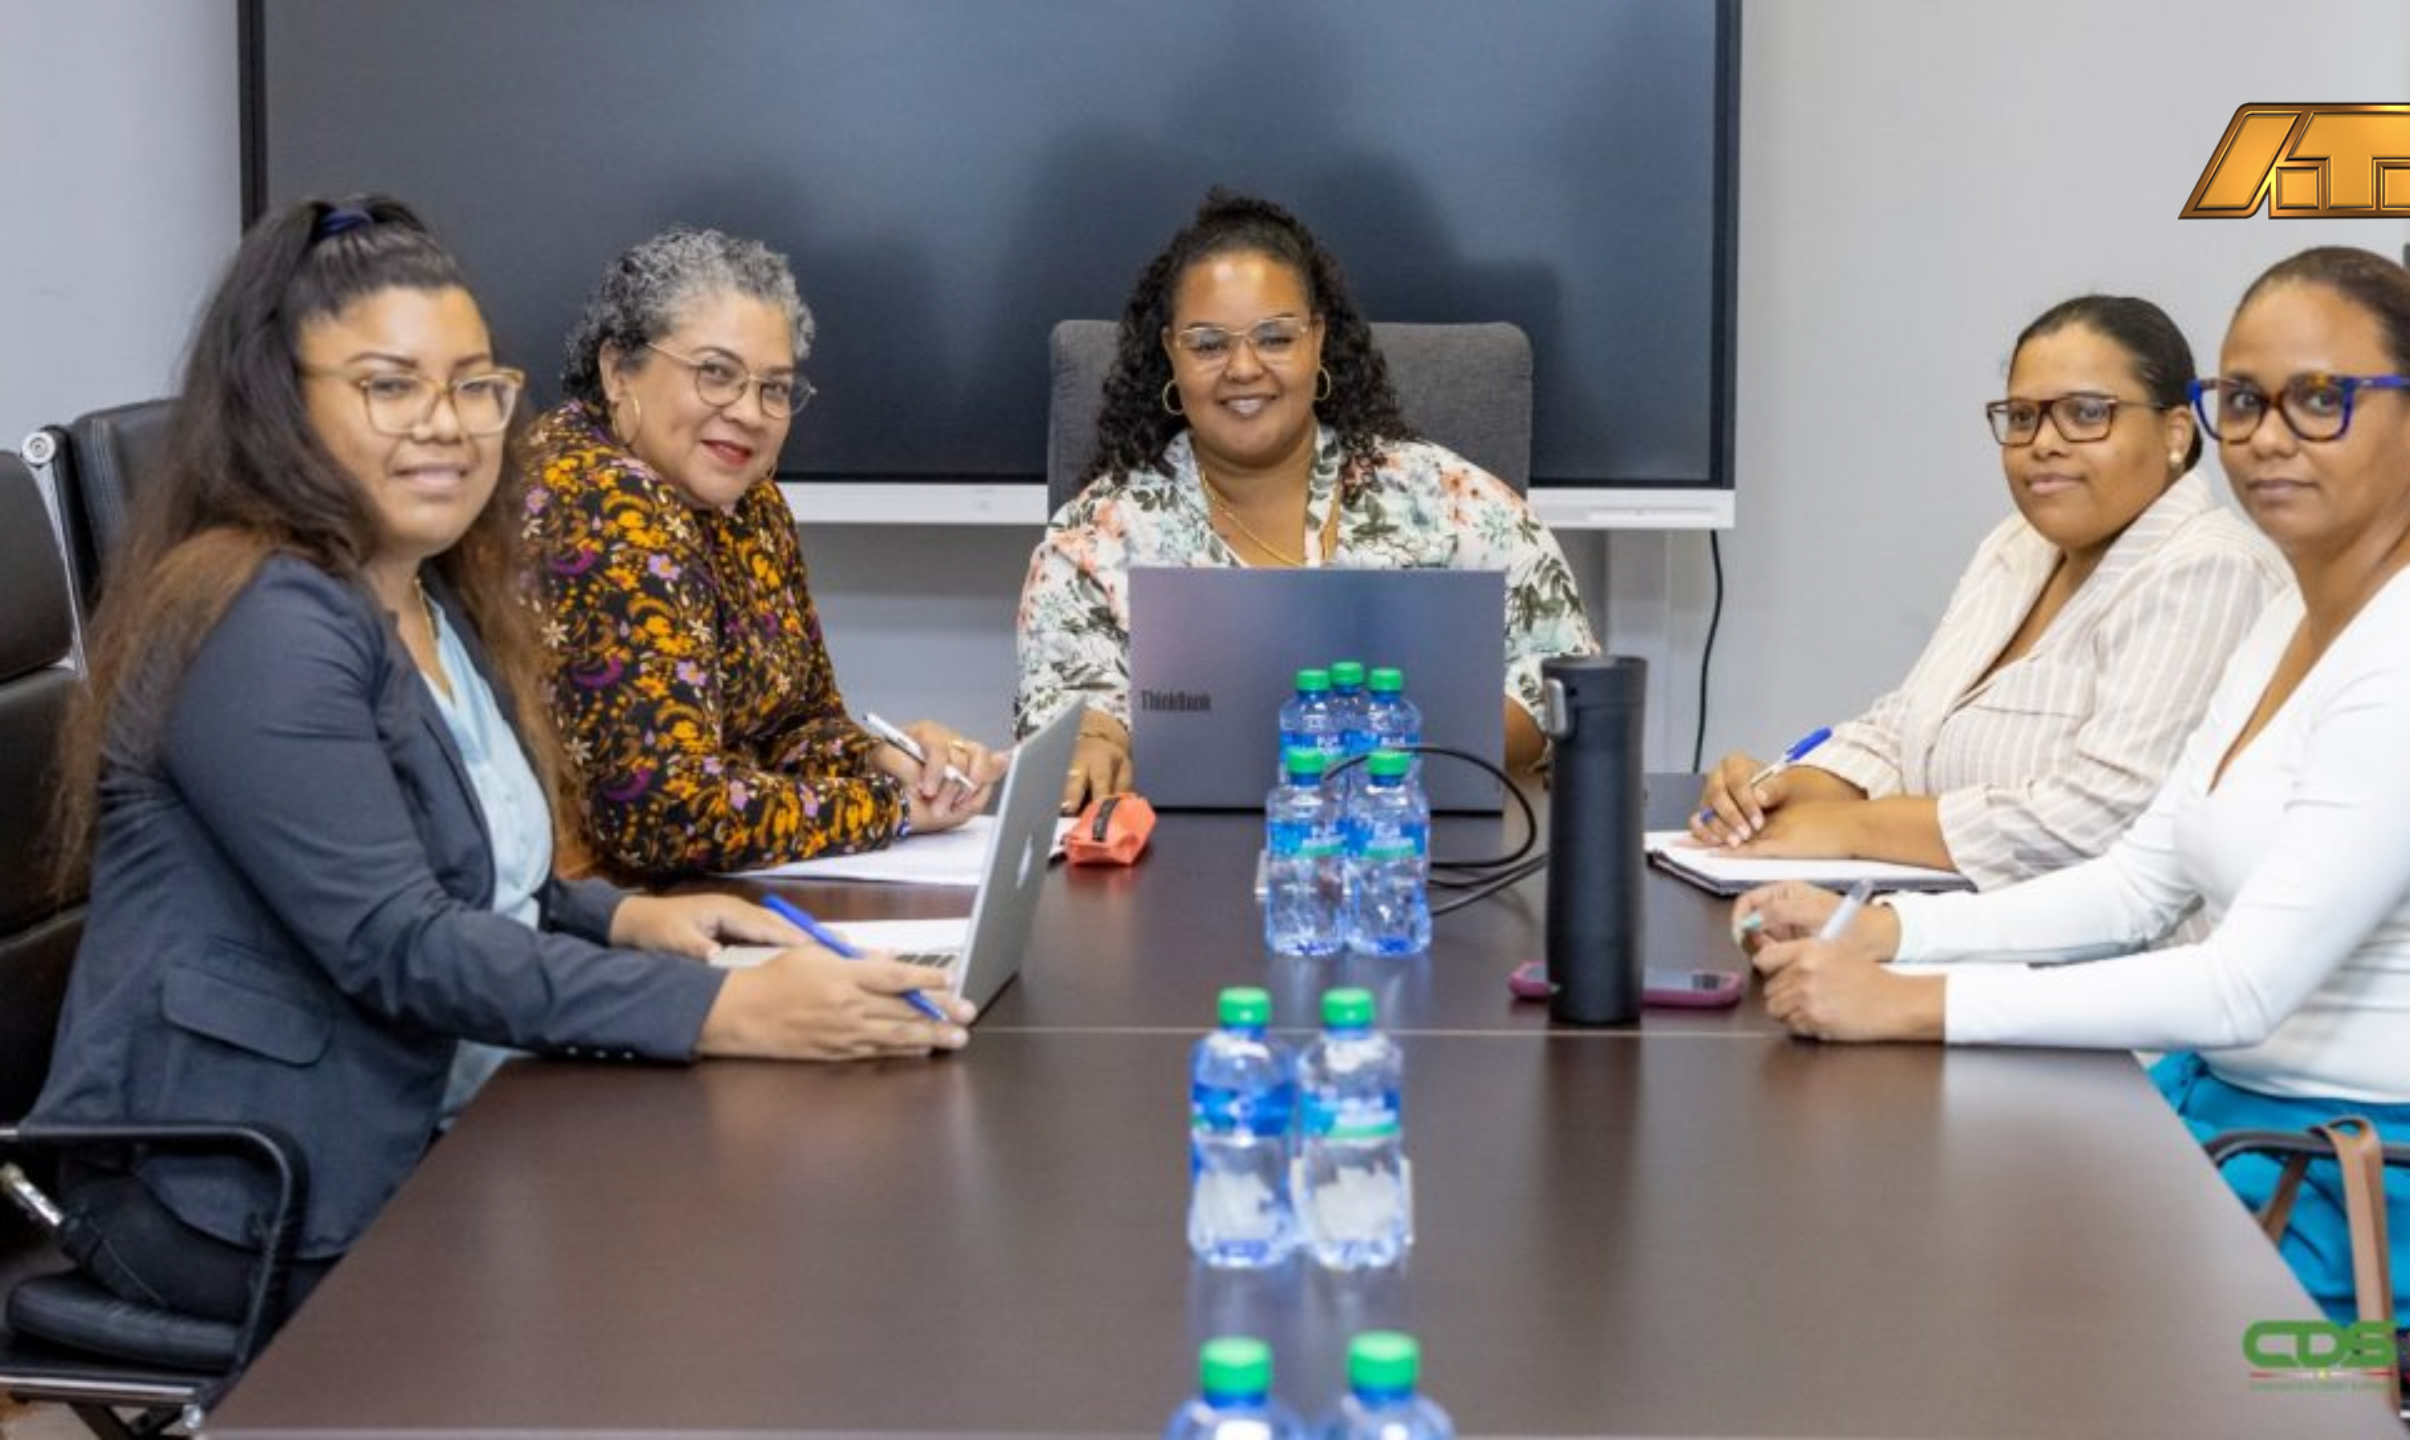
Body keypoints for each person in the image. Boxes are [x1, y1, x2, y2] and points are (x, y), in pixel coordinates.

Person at [29, 197, 973, 1327]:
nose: (448, 426)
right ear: (280, 402)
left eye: (475, 387)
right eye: (390, 386)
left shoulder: (427, 584)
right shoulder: (262, 620)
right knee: (736, 1271)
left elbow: (465, 865)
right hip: (253, 1183)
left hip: (428, 1101)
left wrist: (626, 921)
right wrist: (725, 1010)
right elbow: (404, 942)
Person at [1738, 247, 2410, 1343]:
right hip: (2238, 1129)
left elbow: (2242, 988)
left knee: (1985, 1323)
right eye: (2244, 401)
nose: (2269, 437)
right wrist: (1891, 934)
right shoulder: (2300, 608)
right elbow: (2137, 881)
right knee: (1890, 1215)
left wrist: (1911, 1003)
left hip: (2392, 1215)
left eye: (2321, 399)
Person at [1015, 189, 1599, 810]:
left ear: (1317, 339)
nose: (1243, 368)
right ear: (1171, 354)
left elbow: (1562, 677)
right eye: (1209, 344)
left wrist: (1397, 750)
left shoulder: (1445, 498)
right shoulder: (1095, 535)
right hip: (1173, 855)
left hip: (1417, 845)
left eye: (1274, 338)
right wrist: (1091, 744)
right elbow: (1068, 711)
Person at [1694, 296, 2285, 888]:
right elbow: (1907, 727)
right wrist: (1795, 787)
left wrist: (1852, 826)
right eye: (2023, 418)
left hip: (2116, 945)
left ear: (2175, 432)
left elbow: (2102, 819)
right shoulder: (2016, 547)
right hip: (1959, 923)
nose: (2043, 443)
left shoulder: (2212, 571)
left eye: (2085, 414)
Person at [522, 226, 1006, 881]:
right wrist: (891, 807)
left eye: (774, 388)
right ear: (617, 370)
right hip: (597, 906)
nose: (750, 413)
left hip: (715, 883)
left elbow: (796, 723)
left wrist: (884, 759)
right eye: (715, 374)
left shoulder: (751, 502)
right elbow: (670, 814)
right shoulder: (602, 497)